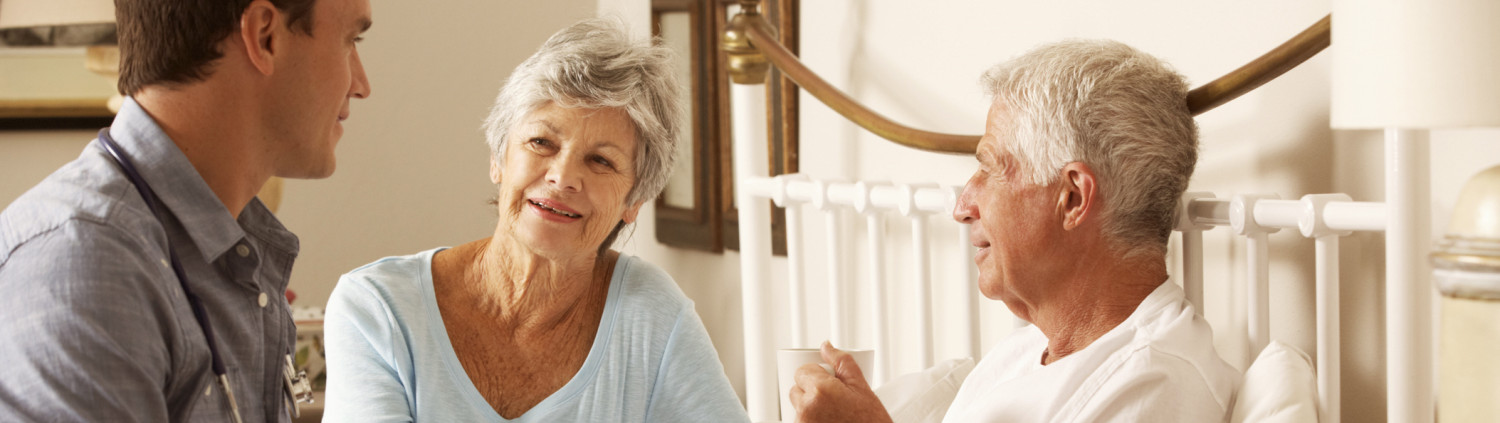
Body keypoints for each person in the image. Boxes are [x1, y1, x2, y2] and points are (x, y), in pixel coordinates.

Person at [320, 18, 748, 422]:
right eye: (541, 142)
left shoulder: (652, 315)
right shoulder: (377, 309)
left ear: (634, 200)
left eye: (600, 160)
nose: (562, 177)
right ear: (498, 158)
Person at [789, 39, 1240, 422]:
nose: (962, 207)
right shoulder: (1024, 353)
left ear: (1073, 199)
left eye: (990, 170)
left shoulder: (1151, 386)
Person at [0, 0, 372, 421]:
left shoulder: (232, 253)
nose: (361, 83)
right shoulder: (82, 265)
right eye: (350, 41)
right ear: (265, 35)